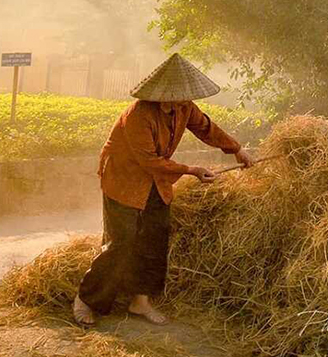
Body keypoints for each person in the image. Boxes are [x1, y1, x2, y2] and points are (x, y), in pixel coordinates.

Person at [72, 53, 255, 326]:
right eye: (180, 95)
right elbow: (149, 161)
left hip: (157, 180)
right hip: (124, 179)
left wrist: (236, 149)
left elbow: (206, 128)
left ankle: (140, 302)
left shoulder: (184, 108)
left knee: (154, 239)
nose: (185, 99)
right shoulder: (138, 115)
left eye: (186, 95)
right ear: (163, 94)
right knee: (121, 242)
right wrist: (191, 170)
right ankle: (87, 299)